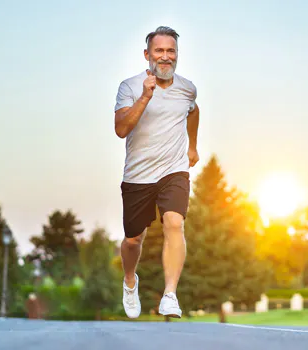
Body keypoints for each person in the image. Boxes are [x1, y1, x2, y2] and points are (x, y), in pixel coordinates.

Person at [113, 26, 200, 319]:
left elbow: (193, 110)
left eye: (171, 51)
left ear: (177, 55)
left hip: (173, 170)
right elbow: (121, 129)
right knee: (133, 240)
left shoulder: (187, 88)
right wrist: (145, 98)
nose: (165, 57)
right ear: (147, 54)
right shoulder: (130, 86)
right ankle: (129, 280)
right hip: (138, 175)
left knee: (174, 223)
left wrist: (193, 147)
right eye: (159, 51)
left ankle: (170, 295)